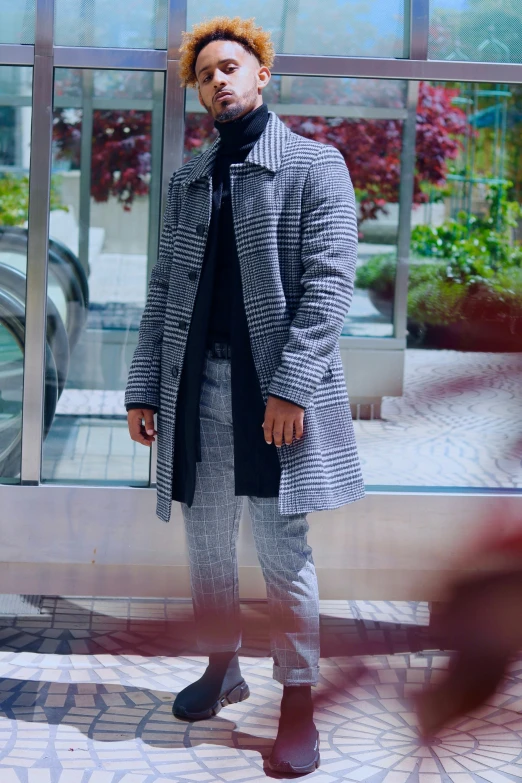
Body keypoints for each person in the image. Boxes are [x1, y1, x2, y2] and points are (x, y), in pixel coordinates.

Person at [125, 15, 365, 774]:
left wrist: (292, 386)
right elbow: (164, 288)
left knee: (282, 549)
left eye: (230, 68)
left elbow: (330, 289)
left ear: (263, 75)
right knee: (206, 541)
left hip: (275, 394)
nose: (217, 81)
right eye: (204, 75)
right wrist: (143, 386)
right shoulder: (190, 177)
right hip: (195, 382)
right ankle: (221, 665)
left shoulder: (314, 165)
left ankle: (298, 701)